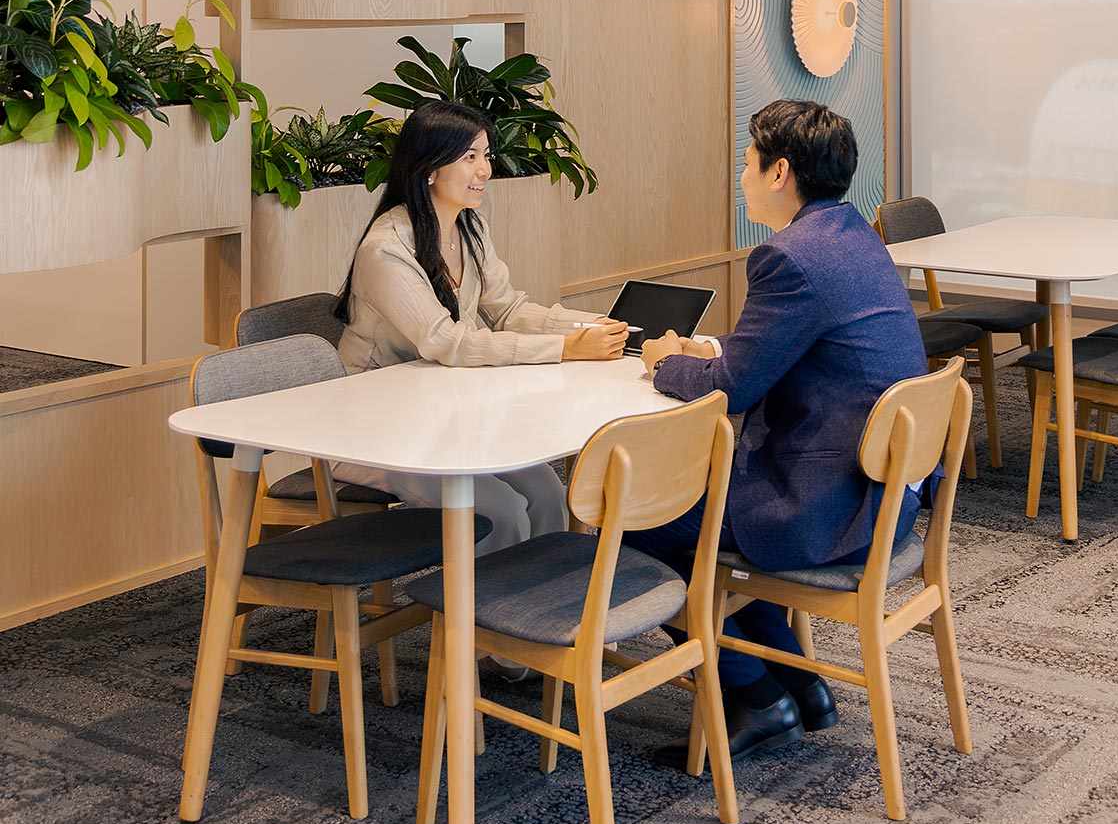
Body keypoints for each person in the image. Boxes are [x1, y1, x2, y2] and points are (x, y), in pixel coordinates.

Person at [635, 98, 929, 762]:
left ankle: (755, 694)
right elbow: (785, 347)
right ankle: (798, 683)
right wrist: (716, 352)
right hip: (885, 496)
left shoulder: (788, 256)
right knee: (693, 525)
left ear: (779, 172)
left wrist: (665, 362)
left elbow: (732, 389)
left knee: (639, 520)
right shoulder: (853, 236)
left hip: (830, 508)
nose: (741, 178)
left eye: (747, 164)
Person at [333, 98, 627, 557]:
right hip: (378, 429)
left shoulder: (470, 227)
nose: (485, 170)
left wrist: (593, 325)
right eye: (469, 157)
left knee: (549, 493)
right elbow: (446, 342)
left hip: (445, 412)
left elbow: (507, 309)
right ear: (429, 169)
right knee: (501, 512)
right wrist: (566, 347)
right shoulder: (386, 249)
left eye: (485, 155)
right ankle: (482, 605)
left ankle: (538, 596)